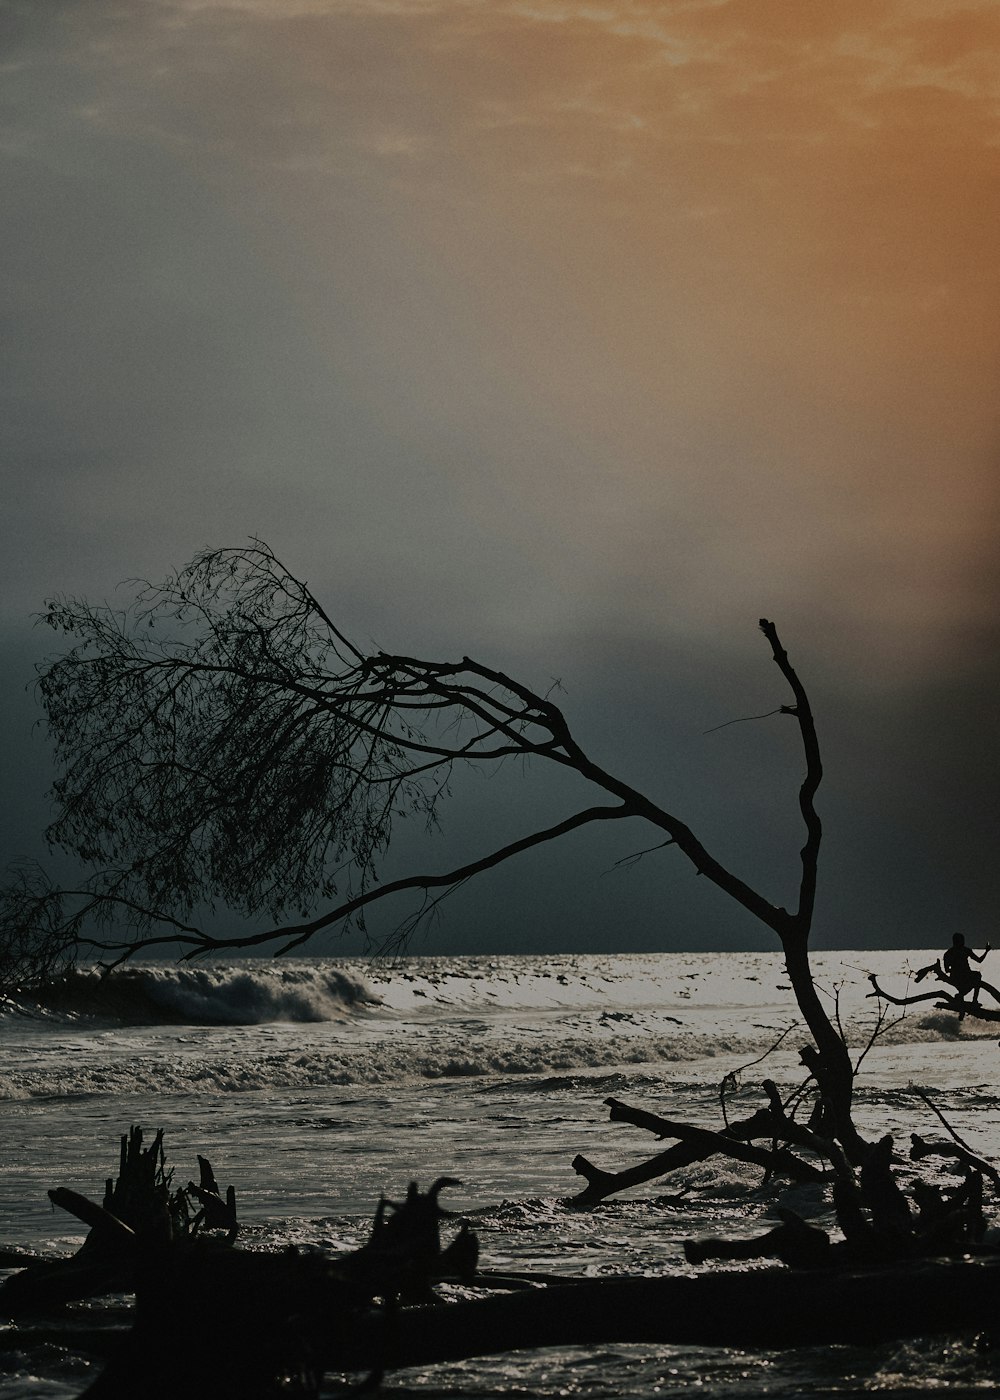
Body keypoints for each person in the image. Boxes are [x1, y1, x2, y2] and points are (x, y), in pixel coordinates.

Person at [941, 932, 991, 1005]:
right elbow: (979, 960)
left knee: (977, 976)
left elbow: (947, 970)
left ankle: (965, 996)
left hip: (960, 976)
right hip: (959, 976)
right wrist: (986, 951)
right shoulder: (954, 952)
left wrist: (986, 951)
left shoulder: (950, 952)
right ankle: (971, 999)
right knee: (976, 977)